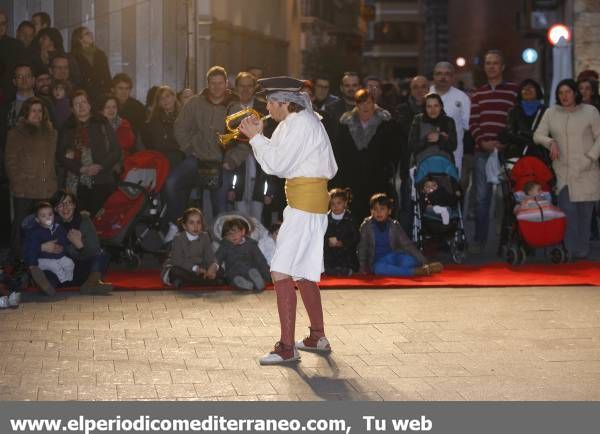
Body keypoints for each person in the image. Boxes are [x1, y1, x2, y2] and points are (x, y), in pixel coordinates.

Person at [238, 76, 338, 365]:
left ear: (284, 102)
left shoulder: (300, 123)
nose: (267, 108)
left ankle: (286, 348)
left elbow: (278, 165)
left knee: (281, 270)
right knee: (303, 271)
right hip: (306, 202)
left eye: (270, 102)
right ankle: (317, 336)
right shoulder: (296, 122)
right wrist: (259, 137)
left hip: (305, 204)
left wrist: (256, 137)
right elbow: (275, 163)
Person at [165, 65, 245, 240]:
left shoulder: (236, 108)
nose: (216, 87)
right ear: (207, 84)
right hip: (197, 158)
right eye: (212, 83)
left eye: (220, 83)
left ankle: (220, 244)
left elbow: (245, 142)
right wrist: (188, 148)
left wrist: (231, 161)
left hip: (222, 162)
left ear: (226, 84)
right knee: (172, 183)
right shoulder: (195, 103)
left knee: (220, 206)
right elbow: (180, 127)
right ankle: (176, 226)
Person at [533, 79, 600, 260]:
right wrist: (550, 142)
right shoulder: (551, 112)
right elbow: (537, 135)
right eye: (561, 92)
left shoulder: (590, 112)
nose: (564, 96)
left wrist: (590, 158)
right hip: (564, 172)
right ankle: (569, 251)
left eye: (568, 92)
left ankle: (582, 251)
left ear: (575, 93)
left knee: (585, 215)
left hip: (587, 170)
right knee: (568, 212)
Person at [469, 50, 518, 253]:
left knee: (509, 197)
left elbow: (515, 123)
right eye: (488, 63)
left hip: (506, 152)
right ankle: (480, 240)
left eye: (495, 63)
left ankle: (507, 241)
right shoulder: (477, 93)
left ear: (503, 67)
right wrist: (484, 142)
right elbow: (473, 122)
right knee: (482, 199)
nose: (491, 66)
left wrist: (504, 142)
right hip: (483, 152)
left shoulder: (514, 92)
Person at [5, 97, 57, 261]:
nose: (37, 114)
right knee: (22, 227)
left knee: (44, 227)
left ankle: (41, 260)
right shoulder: (15, 133)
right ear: (26, 113)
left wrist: (52, 182)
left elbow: (52, 160)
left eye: (40, 111)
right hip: (24, 189)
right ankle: (19, 260)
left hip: (45, 188)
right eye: (33, 110)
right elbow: (10, 161)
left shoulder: (51, 133)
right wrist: (18, 183)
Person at [335, 88, 394, 226]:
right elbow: (339, 152)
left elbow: (391, 151)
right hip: (352, 180)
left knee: (377, 217)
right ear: (356, 105)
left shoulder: (385, 123)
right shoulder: (345, 124)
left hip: (377, 180)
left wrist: (386, 172)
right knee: (353, 218)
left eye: (368, 102)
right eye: (361, 103)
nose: (365, 106)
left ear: (374, 103)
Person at [58, 90, 121, 216]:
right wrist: (81, 169)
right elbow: (61, 155)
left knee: (102, 221)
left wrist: (100, 166)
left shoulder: (102, 122)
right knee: (81, 221)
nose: (81, 106)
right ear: (71, 108)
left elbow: (116, 151)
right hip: (78, 183)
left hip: (103, 180)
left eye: (84, 102)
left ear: (90, 105)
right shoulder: (67, 128)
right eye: (77, 104)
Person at [358, 193, 443, 277]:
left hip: (394, 257)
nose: (378, 212)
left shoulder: (394, 225)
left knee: (409, 261)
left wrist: (424, 261)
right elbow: (362, 247)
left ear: (389, 211)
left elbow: (407, 245)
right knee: (378, 269)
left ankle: (422, 268)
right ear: (371, 211)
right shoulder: (366, 226)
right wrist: (362, 267)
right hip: (378, 261)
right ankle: (415, 272)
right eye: (375, 209)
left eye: (382, 209)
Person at [50, 190, 113, 294]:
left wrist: (80, 245)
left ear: (74, 205)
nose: (65, 207)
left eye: (69, 203)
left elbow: (94, 249)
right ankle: (93, 284)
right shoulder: (52, 225)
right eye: (61, 204)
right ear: (55, 209)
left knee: (102, 254)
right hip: (65, 272)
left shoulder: (84, 220)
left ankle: (91, 283)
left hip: (83, 268)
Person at [230, 71, 273, 222]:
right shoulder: (230, 107)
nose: (245, 90)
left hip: (259, 165)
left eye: (249, 86)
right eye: (242, 86)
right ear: (236, 88)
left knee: (258, 215)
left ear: (254, 88)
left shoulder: (264, 107)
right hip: (237, 165)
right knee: (239, 215)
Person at [394, 75, 429, 232]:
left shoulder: (435, 108)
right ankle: (406, 240)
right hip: (408, 164)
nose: (420, 90)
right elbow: (405, 136)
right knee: (407, 205)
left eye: (423, 86)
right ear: (410, 90)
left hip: (429, 163)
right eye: (416, 87)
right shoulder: (402, 110)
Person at [161, 207, 219, 288]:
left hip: (200, 267)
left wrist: (213, 266)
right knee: (175, 271)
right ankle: (202, 281)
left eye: (198, 222)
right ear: (184, 226)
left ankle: (190, 281)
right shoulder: (178, 238)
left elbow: (210, 256)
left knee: (219, 270)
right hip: (183, 266)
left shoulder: (205, 236)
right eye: (191, 223)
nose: (196, 226)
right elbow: (178, 261)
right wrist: (195, 268)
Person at [24, 201, 74, 296]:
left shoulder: (57, 227)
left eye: (50, 214)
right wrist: (32, 264)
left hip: (57, 256)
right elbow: (31, 248)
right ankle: (63, 281)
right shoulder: (35, 232)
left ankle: (69, 280)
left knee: (69, 263)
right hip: (42, 259)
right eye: (43, 216)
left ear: (54, 215)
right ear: (38, 220)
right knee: (55, 266)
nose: (48, 217)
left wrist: (62, 247)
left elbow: (64, 239)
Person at [430, 62, 471, 173]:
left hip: (453, 154)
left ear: (453, 77)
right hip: (427, 153)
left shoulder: (462, 98)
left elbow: (466, 126)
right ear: (433, 76)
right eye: (439, 74)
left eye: (447, 74)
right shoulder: (426, 94)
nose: (443, 77)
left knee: (450, 187)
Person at [498, 79, 548, 161]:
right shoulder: (514, 111)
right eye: (524, 88)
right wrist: (530, 139)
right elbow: (510, 133)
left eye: (531, 87)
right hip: (517, 155)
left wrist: (522, 135)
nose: (527, 90)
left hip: (540, 156)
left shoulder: (546, 111)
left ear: (537, 91)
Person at [215, 217, 270, 291]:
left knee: (253, 271)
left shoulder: (251, 244)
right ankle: (246, 284)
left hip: (249, 269)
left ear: (243, 232)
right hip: (233, 272)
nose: (233, 236)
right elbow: (217, 258)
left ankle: (258, 281)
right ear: (225, 237)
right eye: (229, 234)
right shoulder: (225, 246)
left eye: (236, 232)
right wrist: (216, 270)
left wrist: (267, 276)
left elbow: (260, 260)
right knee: (233, 279)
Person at [143, 85, 185, 169]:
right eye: (161, 98)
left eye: (167, 96)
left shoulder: (184, 116)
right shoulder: (154, 120)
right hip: (163, 156)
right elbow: (159, 144)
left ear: (174, 97)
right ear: (159, 103)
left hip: (182, 155)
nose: (165, 100)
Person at [408, 92, 457, 162]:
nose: (433, 110)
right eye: (429, 106)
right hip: (422, 165)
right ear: (424, 108)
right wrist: (427, 139)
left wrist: (440, 138)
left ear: (441, 106)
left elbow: (453, 146)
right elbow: (411, 146)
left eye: (436, 106)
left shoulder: (448, 121)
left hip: (444, 164)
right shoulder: (418, 119)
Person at [70, 26, 112, 108]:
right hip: (84, 95)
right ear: (79, 39)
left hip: (101, 94)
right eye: (87, 33)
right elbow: (74, 77)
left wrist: (109, 90)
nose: (91, 34)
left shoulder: (100, 54)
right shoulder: (74, 56)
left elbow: (107, 75)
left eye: (90, 32)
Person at [323, 188, 359, 276]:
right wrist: (327, 242)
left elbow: (356, 237)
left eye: (339, 203)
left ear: (345, 203)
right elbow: (320, 237)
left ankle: (347, 270)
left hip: (346, 255)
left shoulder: (351, 219)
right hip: (330, 256)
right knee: (328, 267)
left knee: (348, 265)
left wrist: (343, 243)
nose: (336, 206)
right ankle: (331, 270)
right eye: (332, 204)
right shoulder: (325, 219)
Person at [324, 71, 361, 140]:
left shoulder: (369, 108)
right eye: (347, 85)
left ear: (360, 87)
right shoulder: (331, 109)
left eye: (354, 85)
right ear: (341, 88)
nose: (351, 89)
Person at [100, 94, 136, 162]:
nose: (111, 110)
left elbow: (127, 143)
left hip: (121, 161)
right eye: (107, 107)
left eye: (114, 107)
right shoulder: (95, 125)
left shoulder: (124, 124)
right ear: (102, 110)